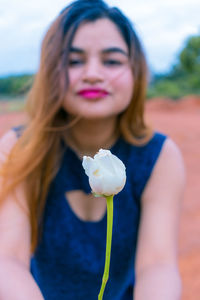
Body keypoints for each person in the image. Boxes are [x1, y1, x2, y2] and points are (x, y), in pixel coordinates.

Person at [0, 0, 185, 299]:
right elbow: (8, 259)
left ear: (136, 72)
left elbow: (157, 265)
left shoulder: (160, 156)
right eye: (73, 61)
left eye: (112, 61)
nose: (93, 74)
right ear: (50, 71)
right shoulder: (19, 148)